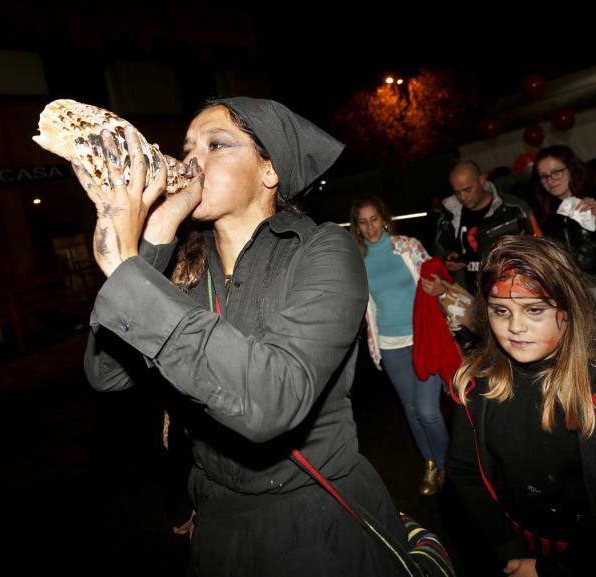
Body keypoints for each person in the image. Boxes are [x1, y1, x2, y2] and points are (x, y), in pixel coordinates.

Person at [76, 98, 406, 576]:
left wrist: (124, 267)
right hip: (220, 523)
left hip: (316, 523)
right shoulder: (180, 264)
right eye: (187, 148)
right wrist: (158, 233)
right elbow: (106, 374)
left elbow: (271, 400)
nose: (191, 161)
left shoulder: (323, 250)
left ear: (269, 171)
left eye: (217, 145)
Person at [446, 235, 596, 577]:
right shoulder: (476, 384)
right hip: (517, 545)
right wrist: (508, 551)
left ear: (570, 309)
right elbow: (464, 473)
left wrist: (550, 570)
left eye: (534, 310)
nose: (515, 326)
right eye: (501, 311)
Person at [349, 194, 450, 496]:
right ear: (357, 226)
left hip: (422, 339)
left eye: (374, 219)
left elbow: (435, 284)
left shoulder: (407, 246)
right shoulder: (359, 261)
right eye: (363, 222)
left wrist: (439, 287)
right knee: (410, 409)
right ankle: (430, 463)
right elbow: (369, 309)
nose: (370, 228)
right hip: (390, 344)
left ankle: (446, 465)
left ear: (384, 218)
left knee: (428, 410)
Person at [532, 145, 596, 358]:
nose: (550, 180)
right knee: (589, 358)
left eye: (556, 172)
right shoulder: (545, 209)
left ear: (572, 169)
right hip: (573, 293)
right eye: (544, 176)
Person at [435, 160, 541, 294]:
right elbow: (441, 252)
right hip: (470, 294)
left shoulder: (514, 208)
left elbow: (540, 248)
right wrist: (448, 261)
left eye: (467, 190)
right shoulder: (450, 213)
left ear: (482, 180)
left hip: (512, 291)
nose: (463, 197)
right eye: (457, 192)